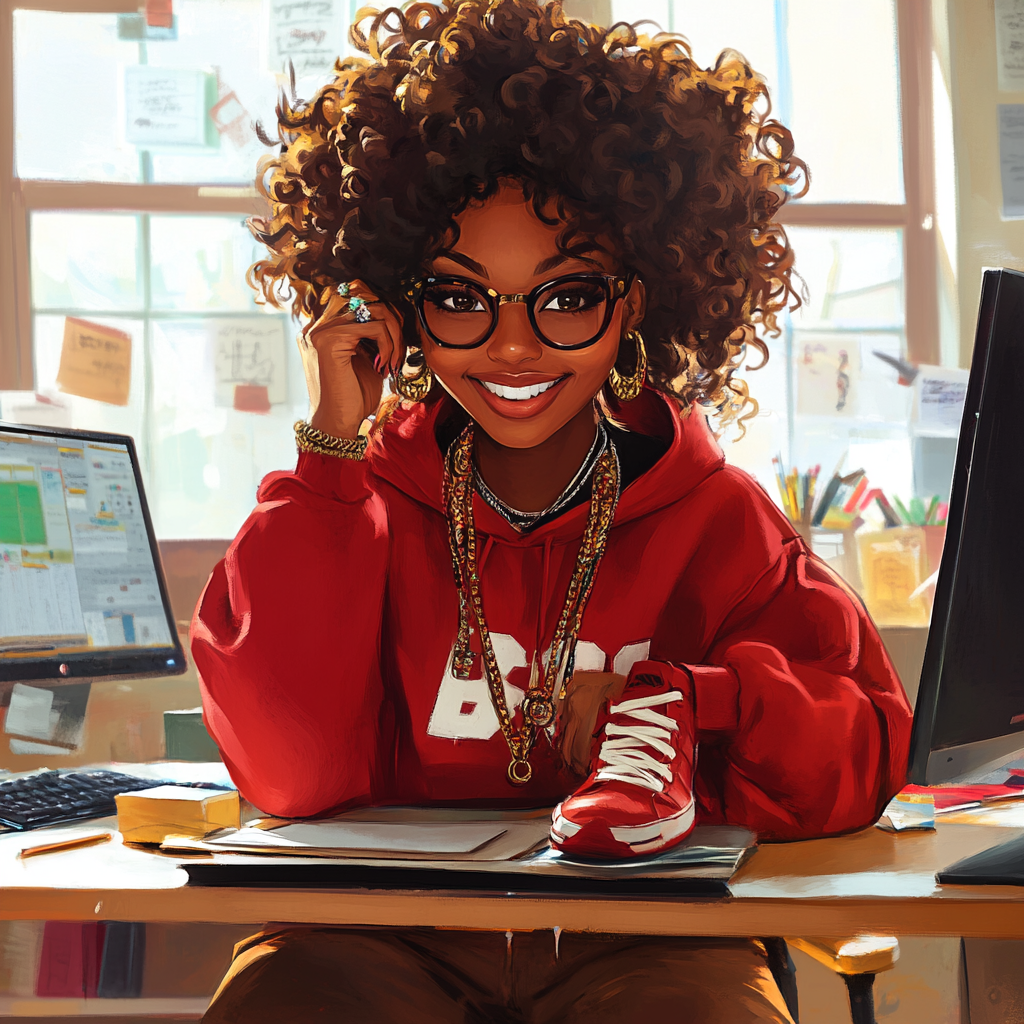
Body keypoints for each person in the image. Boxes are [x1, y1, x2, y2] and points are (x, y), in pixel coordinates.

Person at [192, 1, 913, 1020]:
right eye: (460, 298)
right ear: (402, 307)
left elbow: (862, 749)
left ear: (635, 303)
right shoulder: (356, 502)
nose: (515, 347)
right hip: (365, 932)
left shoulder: (715, 516)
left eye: (567, 297)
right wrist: (335, 450)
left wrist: (699, 697)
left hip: (652, 939)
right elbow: (290, 774)